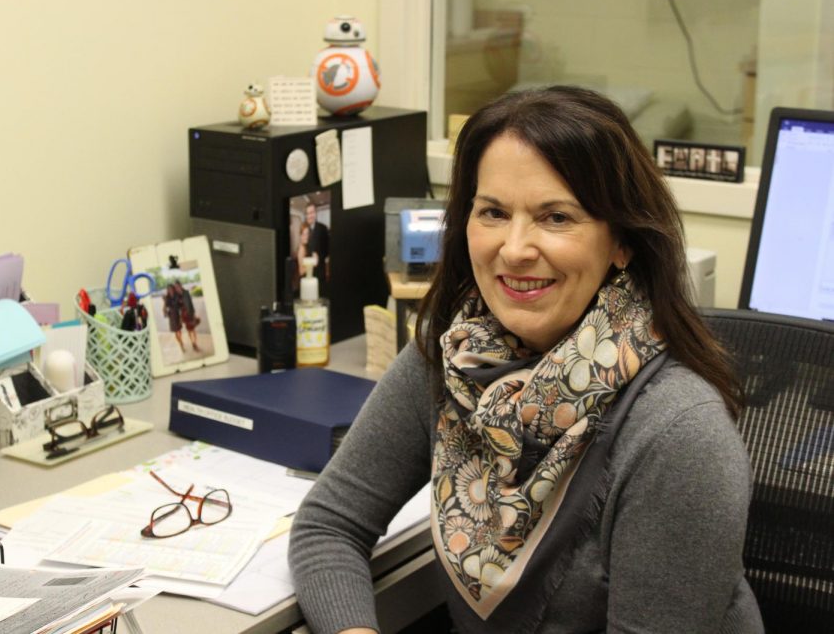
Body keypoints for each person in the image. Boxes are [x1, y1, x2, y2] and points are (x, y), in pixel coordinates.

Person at [288, 86, 763, 633]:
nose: (514, 249)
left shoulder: (678, 432)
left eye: (556, 217)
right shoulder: (455, 358)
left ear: (621, 242)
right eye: (492, 212)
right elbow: (329, 524)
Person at [304, 202, 329, 289]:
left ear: (315, 213)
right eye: (307, 213)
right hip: (307, 271)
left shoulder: (323, 228)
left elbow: (328, 249)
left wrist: (319, 256)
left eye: (311, 213)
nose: (310, 215)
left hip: (319, 271)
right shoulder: (304, 229)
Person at [175, 280, 200, 352]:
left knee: (193, 329)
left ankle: (195, 343)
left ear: (180, 285)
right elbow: (177, 307)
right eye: (176, 287)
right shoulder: (176, 295)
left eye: (177, 286)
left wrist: (194, 313)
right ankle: (193, 342)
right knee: (189, 330)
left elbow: (191, 303)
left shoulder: (186, 292)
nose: (177, 288)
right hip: (183, 315)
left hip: (190, 313)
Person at [162, 284, 184, 353]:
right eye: (169, 289)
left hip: (178, 314)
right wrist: (164, 306)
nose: (170, 290)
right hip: (171, 316)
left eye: (171, 288)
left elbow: (181, 305)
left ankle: (181, 340)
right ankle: (181, 344)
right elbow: (164, 307)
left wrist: (181, 315)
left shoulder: (177, 295)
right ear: (167, 290)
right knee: (175, 331)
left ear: (173, 289)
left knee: (179, 330)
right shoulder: (167, 297)